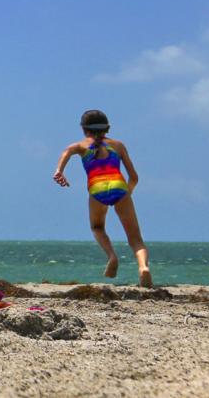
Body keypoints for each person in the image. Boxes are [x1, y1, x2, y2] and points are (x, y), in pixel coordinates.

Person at [53, 109, 151, 287]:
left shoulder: (80, 147)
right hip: (120, 188)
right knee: (135, 239)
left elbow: (66, 152)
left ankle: (112, 256)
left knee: (97, 227)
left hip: (97, 189)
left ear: (84, 129)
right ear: (107, 127)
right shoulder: (118, 146)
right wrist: (127, 193)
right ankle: (143, 267)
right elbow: (134, 177)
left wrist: (59, 171)